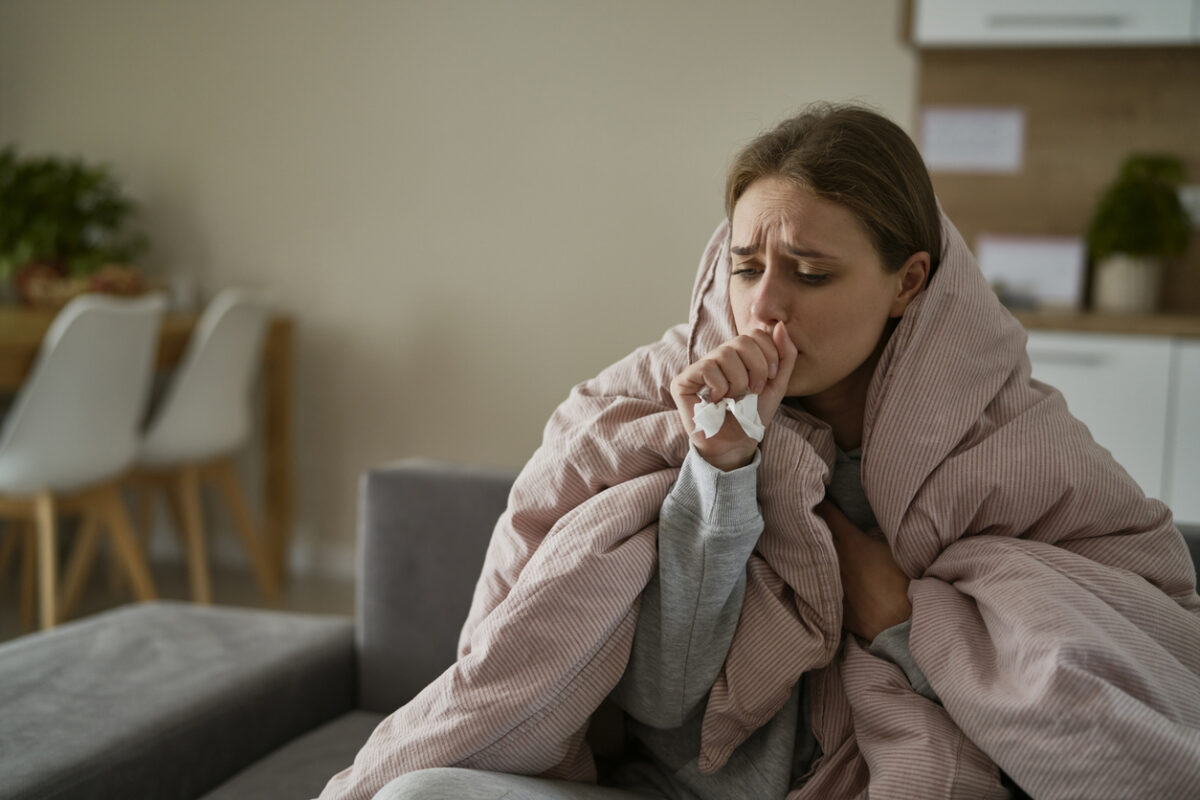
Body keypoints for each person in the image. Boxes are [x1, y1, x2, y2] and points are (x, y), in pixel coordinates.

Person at [320, 105, 1200, 800]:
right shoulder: (664, 402)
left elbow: (1112, 673)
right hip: (672, 788)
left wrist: (903, 625)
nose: (764, 309)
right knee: (424, 794)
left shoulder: (1010, 437)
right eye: (745, 267)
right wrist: (723, 472)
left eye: (810, 274)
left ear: (909, 283)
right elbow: (664, 699)